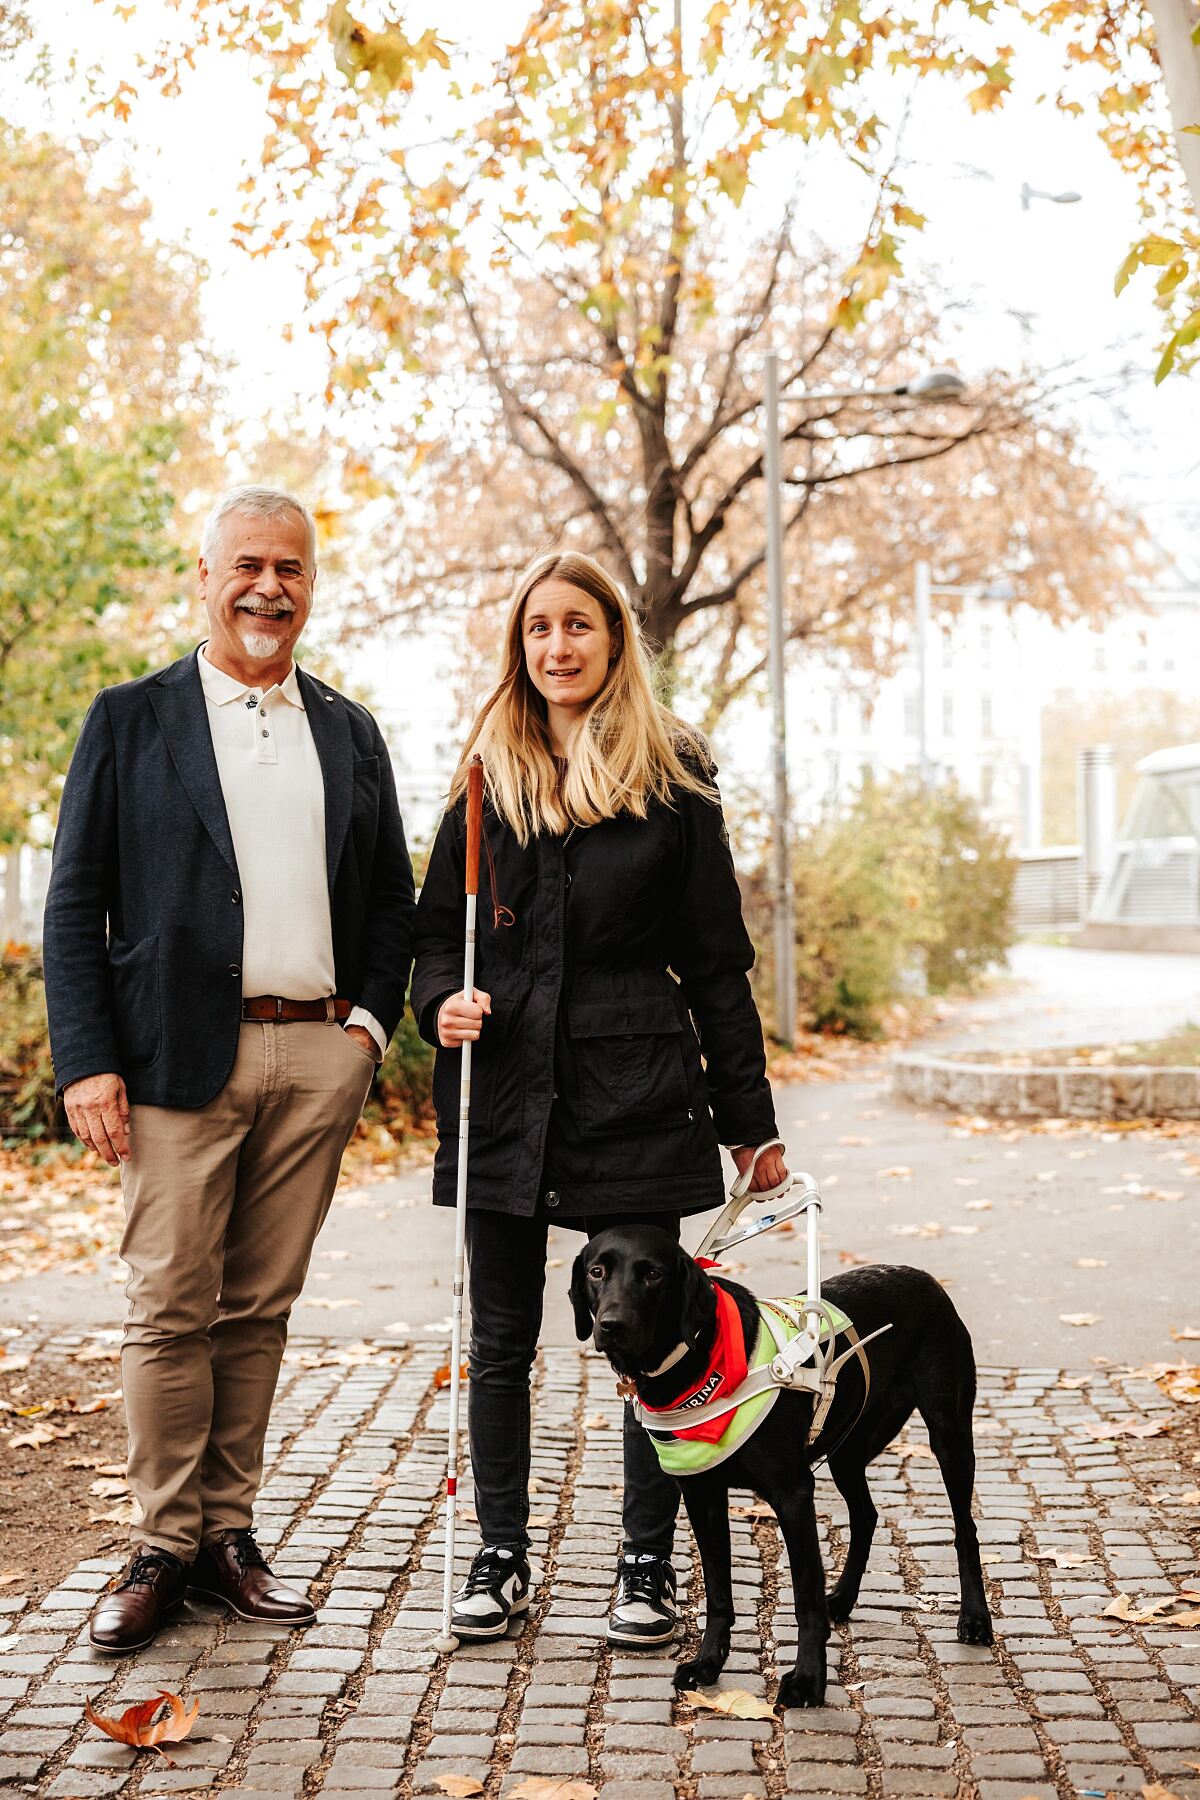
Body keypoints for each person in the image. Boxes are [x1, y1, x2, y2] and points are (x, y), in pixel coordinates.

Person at [42, 485, 416, 1653]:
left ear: (312, 584)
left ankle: (226, 1538)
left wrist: (365, 1033)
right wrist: (88, 1061)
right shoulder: (130, 718)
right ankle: (160, 1544)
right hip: (166, 1060)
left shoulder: (349, 730)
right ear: (204, 578)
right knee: (168, 1309)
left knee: (257, 1309)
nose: (268, 588)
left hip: (314, 1050)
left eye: (291, 569)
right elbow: (74, 906)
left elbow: (392, 903)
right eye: (246, 566)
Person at [411, 549, 786, 1648]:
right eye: (537, 630)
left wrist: (749, 1123)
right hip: (505, 1091)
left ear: (614, 641)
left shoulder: (673, 776)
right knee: (499, 1340)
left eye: (577, 626)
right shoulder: (486, 777)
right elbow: (437, 934)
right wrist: (444, 999)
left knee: (653, 1341)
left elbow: (717, 962)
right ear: (517, 648)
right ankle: (500, 1555)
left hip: (633, 1089)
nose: (556, 648)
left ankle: (644, 1565)